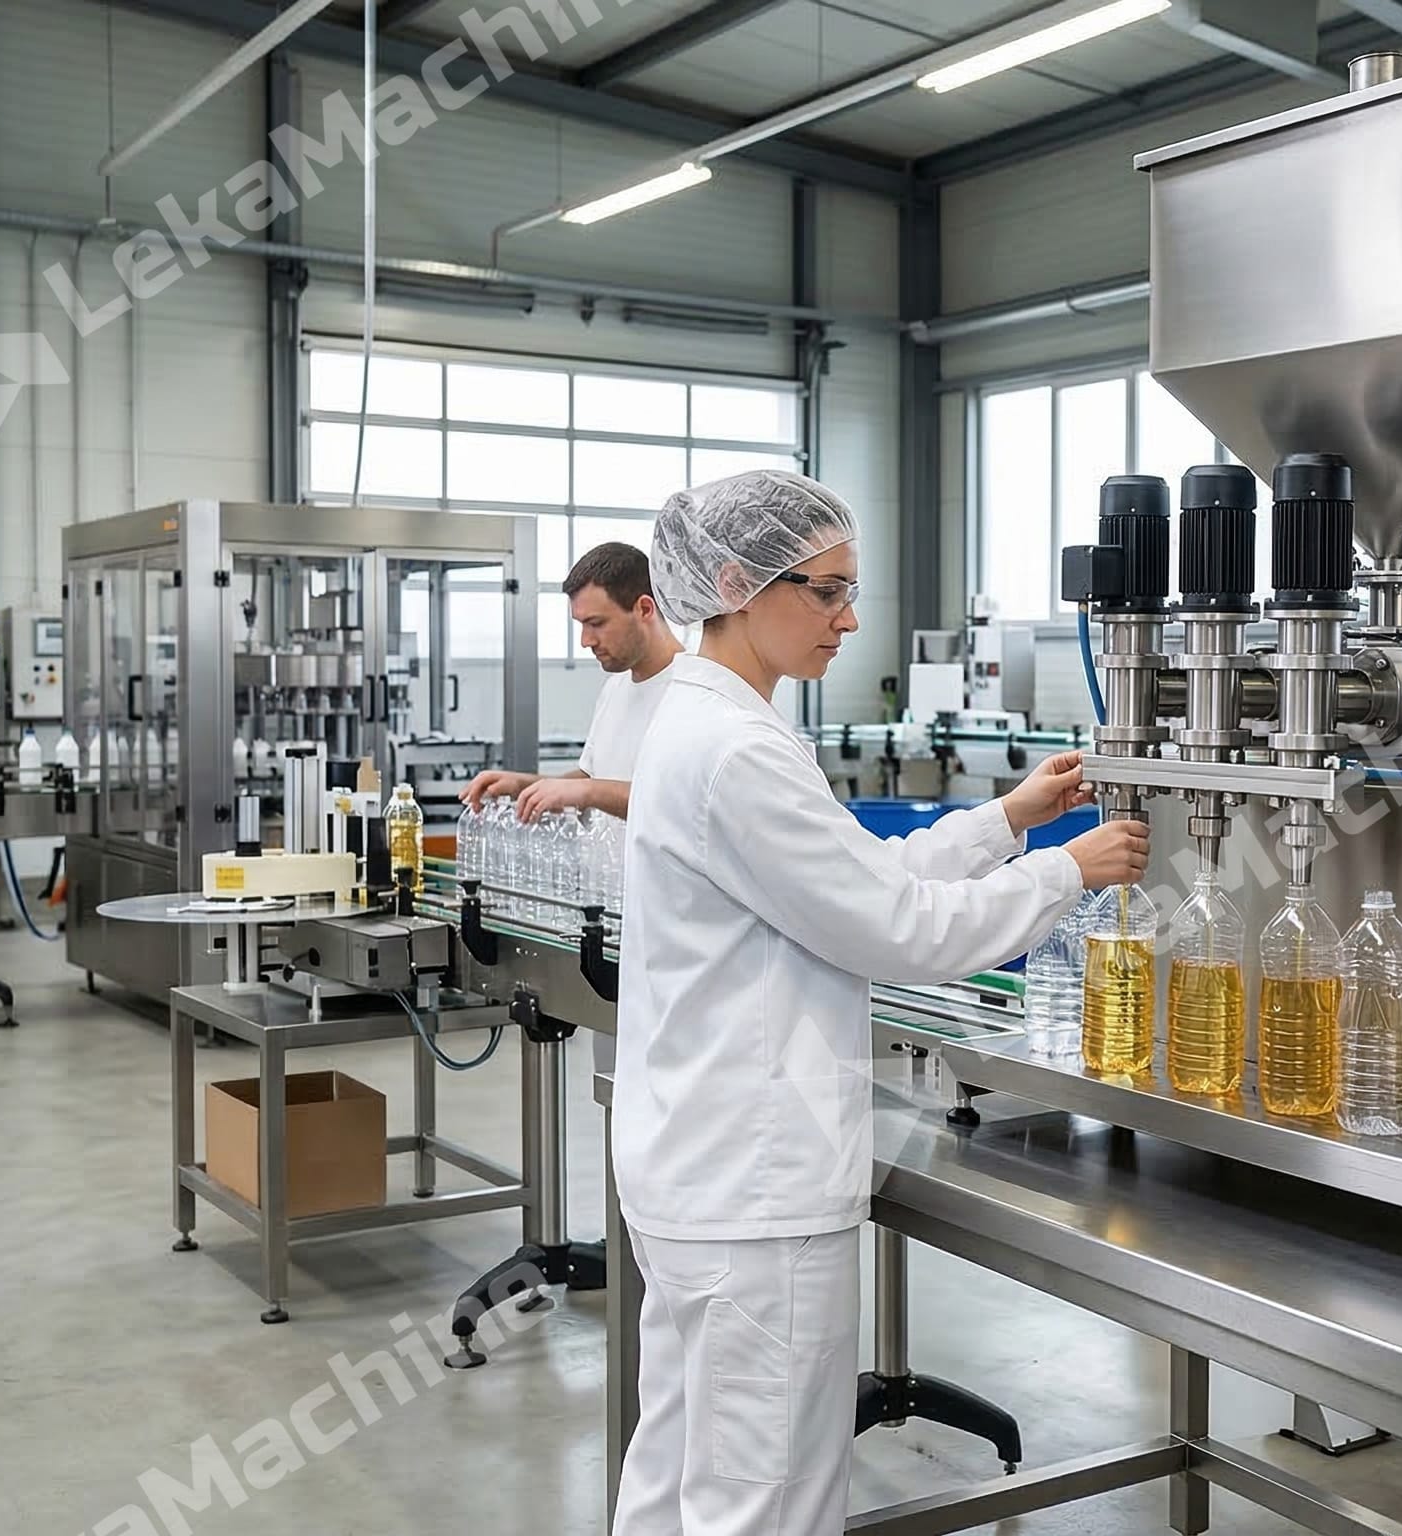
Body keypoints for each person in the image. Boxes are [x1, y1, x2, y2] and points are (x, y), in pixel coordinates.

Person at [610, 470, 1149, 1536]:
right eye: (826, 591)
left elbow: (865, 872)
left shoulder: (714, 725)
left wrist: (1009, 817)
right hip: (752, 1192)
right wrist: (1065, 874)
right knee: (764, 1498)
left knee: (681, 1476)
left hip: (697, 1173)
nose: (849, 619)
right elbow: (899, 931)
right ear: (735, 581)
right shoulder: (734, 750)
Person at [460, 540, 681, 821]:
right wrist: (524, 786)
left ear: (645, 609)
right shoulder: (616, 686)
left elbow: (679, 803)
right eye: (581, 625)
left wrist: (589, 791)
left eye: (597, 623)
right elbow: (592, 778)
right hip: (600, 865)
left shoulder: (692, 695)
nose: (585, 641)